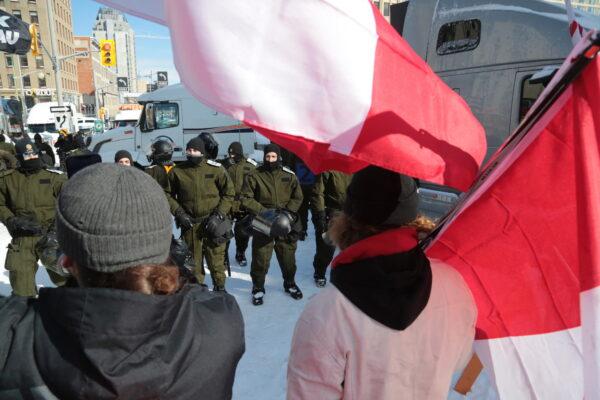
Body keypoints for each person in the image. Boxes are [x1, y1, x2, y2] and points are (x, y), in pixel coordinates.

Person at [0, 164, 245, 399]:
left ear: (66, 262)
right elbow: (196, 297)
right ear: (165, 249)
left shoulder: (13, 340)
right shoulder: (221, 321)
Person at [287, 166, 477, 399]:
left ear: (347, 219)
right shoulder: (454, 284)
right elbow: (459, 360)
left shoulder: (326, 312)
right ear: (414, 214)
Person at [0, 139, 67, 296]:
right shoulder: (8, 180)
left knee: (67, 281)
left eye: (33, 155)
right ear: (18, 157)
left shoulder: (54, 178)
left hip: (52, 237)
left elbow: (69, 204)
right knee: (21, 286)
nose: (31, 159)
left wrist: (56, 230)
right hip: (23, 237)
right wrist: (11, 220)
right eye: (26, 156)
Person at [167, 137, 235, 291]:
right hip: (190, 224)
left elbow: (229, 193)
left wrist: (219, 215)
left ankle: (220, 289)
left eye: (195, 150)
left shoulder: (216, 169)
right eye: (189, 150)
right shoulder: (177, 171)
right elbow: (167, 194)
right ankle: (198, 291)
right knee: (193, 264)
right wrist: (179, 213)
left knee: (216, 260)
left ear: (202, 152)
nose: (192, 153)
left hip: (214, 223)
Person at [241, 143, 304, 305]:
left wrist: (289, 213)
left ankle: (290, 283)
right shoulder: (255, 175)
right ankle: (258, 287)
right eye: (268, 156)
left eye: (273, 156)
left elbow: (298, 197)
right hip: (264, 219)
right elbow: (246, 198)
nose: (270, 159)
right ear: (264, 157)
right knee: (261, 256)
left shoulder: (289, 175)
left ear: (279, 157)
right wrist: (263, 212)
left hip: (285, 219)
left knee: (287, 254)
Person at [310, 170, 353, 287]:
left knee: (351, 246)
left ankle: (348, 272)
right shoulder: (328, 169)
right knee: (327, 247)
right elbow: (318, 193)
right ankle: (320, 272)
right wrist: (320, 214)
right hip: (333, 212)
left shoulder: (358, 169)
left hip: (352, 212)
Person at [222, 141, 256, 267]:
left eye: (234, 154)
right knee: (224, 231)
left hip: (243, 204)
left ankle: (240, 252)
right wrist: (224, 165)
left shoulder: (250, 166)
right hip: (228, 202)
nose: (231, 156)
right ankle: (223, 256)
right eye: (230, 154)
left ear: (240, 153)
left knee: (242, 233)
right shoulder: (224, 165)